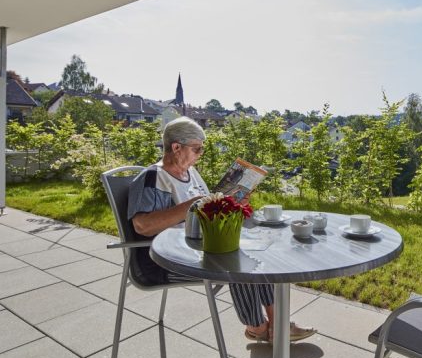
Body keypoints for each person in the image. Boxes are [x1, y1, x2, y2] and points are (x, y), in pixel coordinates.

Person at [127, 116, 316, 342]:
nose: (201, 154)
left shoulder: (191, 174)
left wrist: (235, 203)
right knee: (237, 267)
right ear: (176, 147)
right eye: (197, 149)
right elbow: (143, 226)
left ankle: (277, 325)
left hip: (201, 248)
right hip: (164, 261)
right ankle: (257, 327)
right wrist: (191, 205)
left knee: (260, 255)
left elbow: (207, 214)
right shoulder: (153, 178)